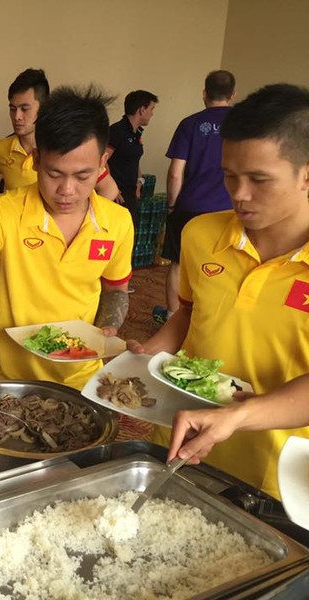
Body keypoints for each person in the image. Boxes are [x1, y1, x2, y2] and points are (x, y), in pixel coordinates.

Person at [129, 84, 309, 499]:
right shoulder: (201, 234)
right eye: (229, 175)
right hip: (183, 442)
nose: (239, 194)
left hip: (277, 473)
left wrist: (239, 415)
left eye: (259, 179)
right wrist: (148, 355)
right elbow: (191, 313)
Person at [0, 86, 133, 415]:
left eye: (83, 175)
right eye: (53, 173)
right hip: (11, 384)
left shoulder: (117, 221)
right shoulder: (2, 211)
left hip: (82, 382)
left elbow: (116, 290)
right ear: (36, 159)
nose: (67, 190)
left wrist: (106, 328)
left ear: (102, 162)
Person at [153, 71, 235, 325]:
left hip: (190, 206)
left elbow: (176, 173)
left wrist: (172, 204)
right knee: (223, 266)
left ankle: (172, 317)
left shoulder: (190, 124)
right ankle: (210, 320)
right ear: (233, 95)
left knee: (179, 263)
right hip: (227, 210)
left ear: (204, 94)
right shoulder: (243, 126)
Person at [0, 68, 119, 199]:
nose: (17, 116)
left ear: (43, 107)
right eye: (13, 109)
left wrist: (83, 219)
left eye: (25, 109)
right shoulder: (1, 148)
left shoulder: (63, 147)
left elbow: (109, 189)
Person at [107, 89, 158, 227]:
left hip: (130, 194)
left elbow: (134, 160)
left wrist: (139, 182)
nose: (152, 114)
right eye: (151, 109)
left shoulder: (136, 133)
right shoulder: (117, 131)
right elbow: (101, 160)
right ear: (142, 109)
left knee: (130, 232)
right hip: (117, 196)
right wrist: (111, 189)